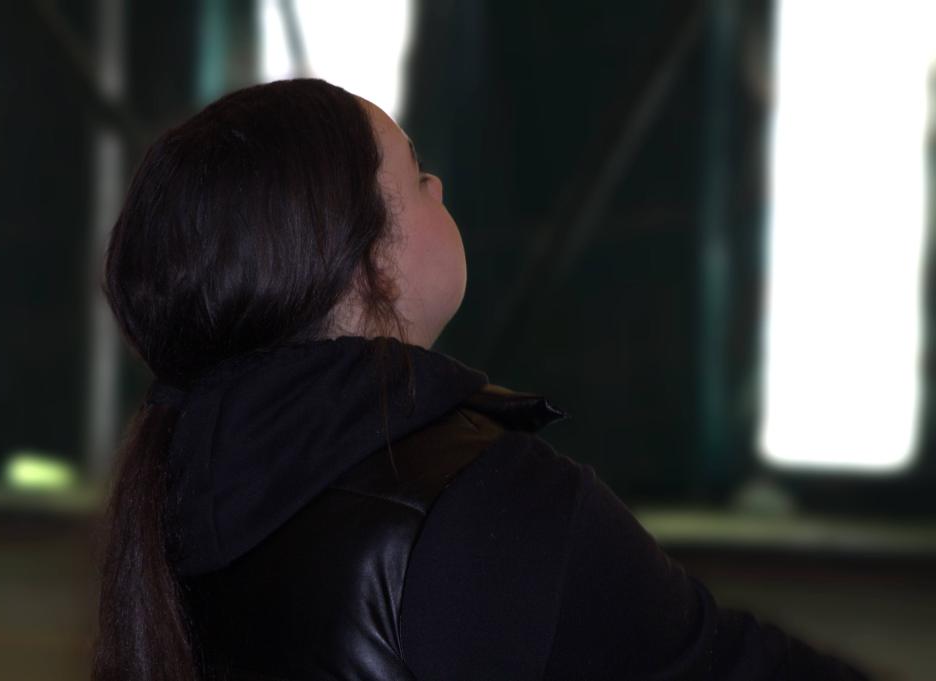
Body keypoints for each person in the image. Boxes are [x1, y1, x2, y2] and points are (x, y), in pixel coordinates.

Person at [91, 79, 869, 681]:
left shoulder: (183, 495)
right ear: (371, 263)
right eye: (414, 173)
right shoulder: (489, 501)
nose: (437, 186)